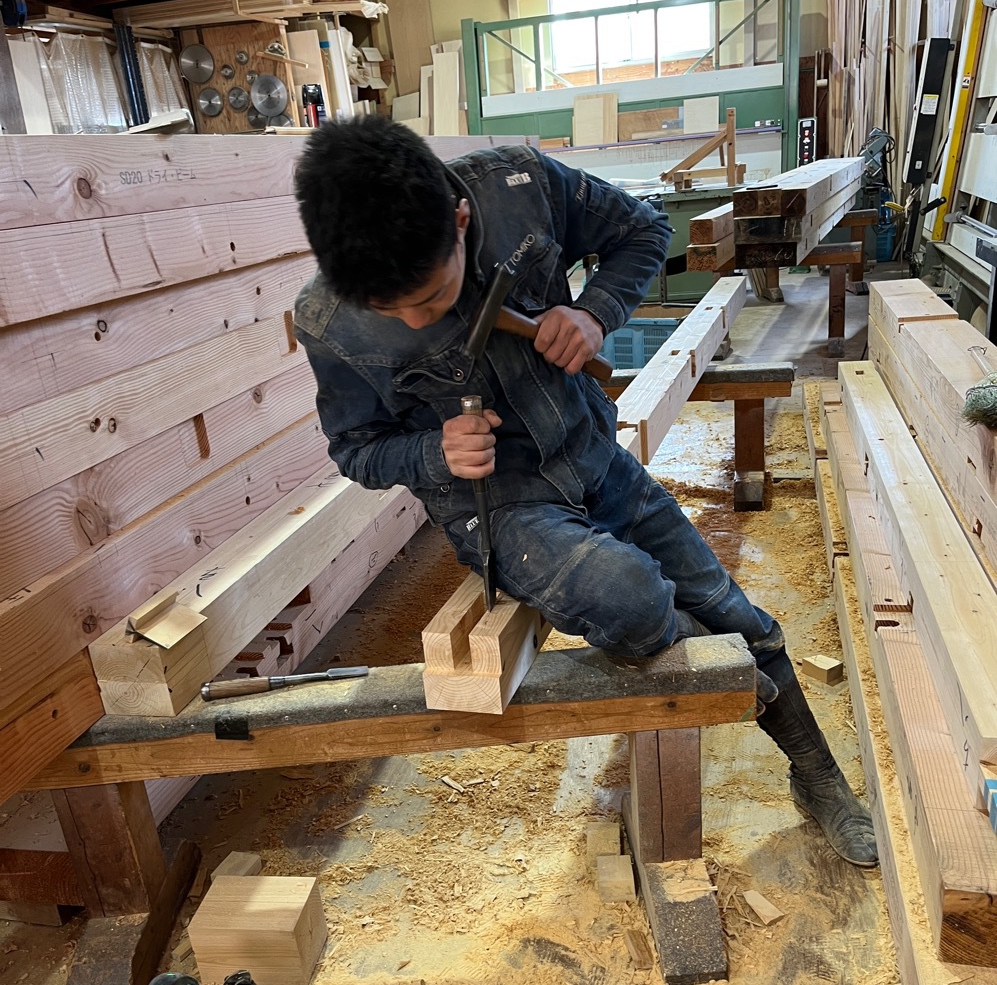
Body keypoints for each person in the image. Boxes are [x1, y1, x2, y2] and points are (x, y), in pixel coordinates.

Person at [293, 115, 877, 869]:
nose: (414, 320)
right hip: (502, 507)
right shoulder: (328, 323)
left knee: (733, 609)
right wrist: (433, 450)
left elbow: (642, 231)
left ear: (459, 219)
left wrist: (593, 312)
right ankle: (731, 676)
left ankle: (817, 775)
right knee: (628, 597)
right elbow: (355, 450)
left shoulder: (517, 187)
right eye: (391, 312)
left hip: (589, 452)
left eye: (430, 296)